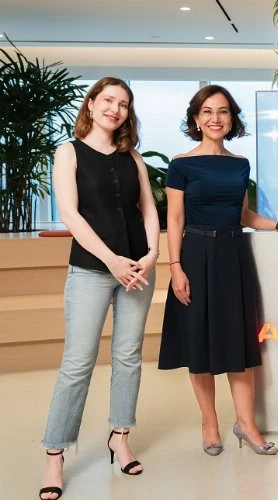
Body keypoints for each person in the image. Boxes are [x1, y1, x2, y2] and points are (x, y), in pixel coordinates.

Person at [158, 85, 278, 457]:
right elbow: (175, 219)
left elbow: (242, 215)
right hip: (195, 255)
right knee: (199, 341)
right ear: (196, 119)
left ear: (232, 119)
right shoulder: (181, 165)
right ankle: (209, 423)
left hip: (233, 255)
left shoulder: (239, 164)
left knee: (239, 340)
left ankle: (246, 424)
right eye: (207, 111)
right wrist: (176, 267)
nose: (216, 118)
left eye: (223, 111)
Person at [39, 77, 160, 500]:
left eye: (123, 104)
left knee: (128, 357)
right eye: (108, 100)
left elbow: (149, 209)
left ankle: (120, 437)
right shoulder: (68, 152)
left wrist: (152, 254)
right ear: (91, 104)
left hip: (139, 269)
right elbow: (70, 214)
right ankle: (55, 454)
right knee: (77, 363)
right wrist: (112, 260)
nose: (115, 109)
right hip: (92, 269)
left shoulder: (133, 157)